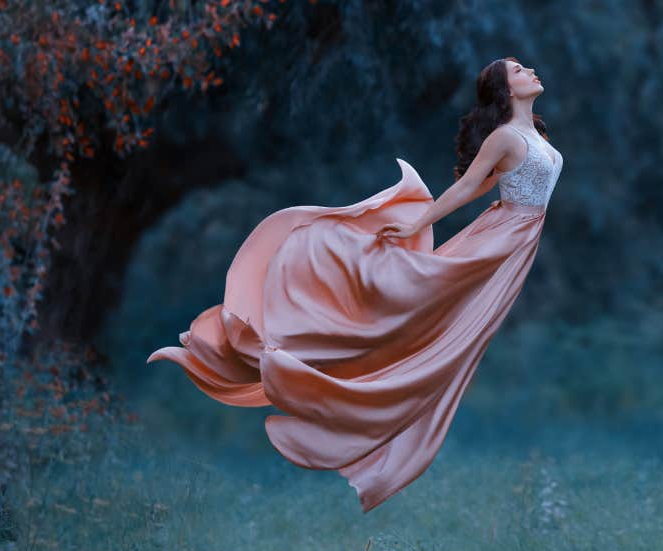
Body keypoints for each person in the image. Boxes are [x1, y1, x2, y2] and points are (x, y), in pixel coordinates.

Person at [146, 57, 562, 513]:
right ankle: (308, 321)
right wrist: (416, 223)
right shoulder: (504, 136)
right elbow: (466, 190)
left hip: (516, 242)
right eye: (519, 70)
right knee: (431, 317)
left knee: (454, 340)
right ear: (505, 90)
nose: (531, 72)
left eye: (527, 68)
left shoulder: (534, 135)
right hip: (500, 239)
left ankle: (357, 381)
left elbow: (489, 184)